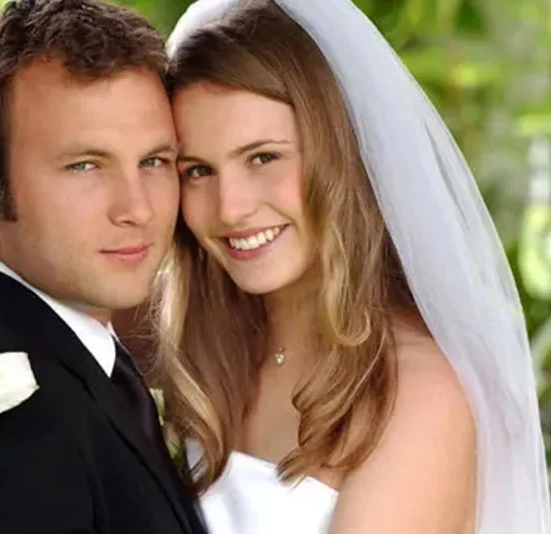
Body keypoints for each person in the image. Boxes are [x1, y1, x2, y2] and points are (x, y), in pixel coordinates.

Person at [152, 0, 551, 533]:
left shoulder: (417, 395)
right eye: (198, 170)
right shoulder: (203, 355)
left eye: (264, 157)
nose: (231, 208)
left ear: (337, 155)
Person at [0, 0, 206, 532]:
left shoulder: (82, 360)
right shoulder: (6, 424)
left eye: (154, 161)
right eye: (86, 165)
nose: (137, 209)